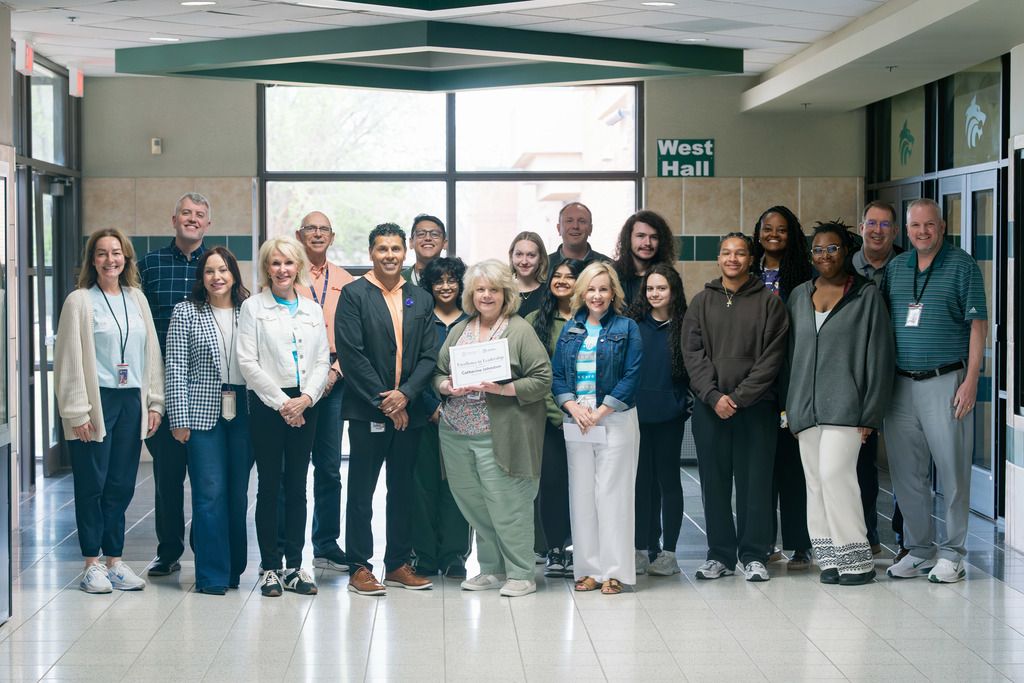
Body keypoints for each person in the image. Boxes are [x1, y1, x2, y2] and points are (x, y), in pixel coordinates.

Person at [433, 260, 552, 597]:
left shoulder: (519, 330)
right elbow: (438, 373)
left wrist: (502, 388)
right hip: (456, 432)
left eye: (494, 290)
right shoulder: (461, 329)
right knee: (476, 506)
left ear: (506, 294)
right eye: (480, 289)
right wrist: (447, 387)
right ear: (471, 294)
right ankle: (492, 569)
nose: (486, 295)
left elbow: (542, 378)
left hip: (499, 433)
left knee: (508, 505)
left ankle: (521, 573)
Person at [884, 198, 988, 584]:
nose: (923, 232)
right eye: (915, 226)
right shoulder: (896, 268)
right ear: (907, 230)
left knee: (953, 470)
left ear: (942, 226)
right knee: (906, 473)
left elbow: (978, 325)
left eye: (930, 224)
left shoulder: (962, 266)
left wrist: (971, 379)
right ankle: (919, 549)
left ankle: (953, 554)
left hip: (946, 381)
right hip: (900, 384)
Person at [54, 228, 164, 594]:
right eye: (101, 253)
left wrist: (154, 401)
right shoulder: (79, 301)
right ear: (92, 260)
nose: (110, 259)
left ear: (126, 258)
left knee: (121, 484)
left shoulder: (137, 298)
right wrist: (76, 412)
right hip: (94, 402)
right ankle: (91, 564)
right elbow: (68, 359)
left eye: (116, 252)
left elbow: (151, 353)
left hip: (131, 399)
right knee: (92, 485)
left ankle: (114, 561)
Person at [785, 223, 894, 586]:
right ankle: (830, 558)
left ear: (846, 251)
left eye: (832, 248)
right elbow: (791, 357)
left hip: (848, 408)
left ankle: (858, 559)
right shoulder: (799, 295)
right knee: (815, 483)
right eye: (818, 250)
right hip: (805, 409)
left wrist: (871, 413)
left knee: (836, 477)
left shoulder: (866, 296)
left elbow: (880, 357)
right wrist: (791, 409)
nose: (825, 256)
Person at [336, 223, 438, 596]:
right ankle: (359, 567)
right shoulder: (354, 294)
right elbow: (351, 354)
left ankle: (396, 564)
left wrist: (406, 395)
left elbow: (429, 355)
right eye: (382, 249)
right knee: (361, 492)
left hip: (409, 412)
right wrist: (386, 401)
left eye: (396, 249)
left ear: (405, 252)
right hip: (368, 412)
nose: (390, 255)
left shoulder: (420, 298)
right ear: (371, 253)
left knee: (402, 490)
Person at [683, 233, 789, 582]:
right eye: (726, 252)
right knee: (713, 484)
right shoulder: (701, 302)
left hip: (756, 408)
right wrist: (713, 396)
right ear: (718, 258)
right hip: (710, 408)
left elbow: (772, 358)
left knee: (755, 484)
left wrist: (740, 397)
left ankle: (755, 556)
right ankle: (720, 556)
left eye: (740, 253)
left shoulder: (770, 303)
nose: (733, 258)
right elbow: (692, 354)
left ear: (750, 259)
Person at [238, 235, 330, 597]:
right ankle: (270, 567)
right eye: (275, 263)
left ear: (299, 267)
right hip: (268, 405)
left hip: (306, 405)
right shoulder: (253, 308)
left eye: (289, 262)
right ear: (266, 267)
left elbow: (322, 361)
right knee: (269, 487)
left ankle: (294, 566)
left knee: (297, 487)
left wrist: (305, 399)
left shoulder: (312, 309)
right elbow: (248, 363)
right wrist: (283, 404)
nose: (282, 269)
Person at [165, 246, 254, 595]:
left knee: (238, 494)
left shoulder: (250, 310)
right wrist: (179, 418)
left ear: (234, 274)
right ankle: (211, 574)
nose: (217, 277)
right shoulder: (186, 312)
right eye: (209, 271)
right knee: (209, 493)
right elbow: (175, 367)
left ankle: (233, 571)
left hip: (245, 410)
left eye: (223, 270)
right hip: (202, 412)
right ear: (201, 278)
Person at [552, 261, 642, 595]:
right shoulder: (570, 329)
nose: (597, 295)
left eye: (603, 288)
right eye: (591, 289)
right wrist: (573, 407)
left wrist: (601, 411)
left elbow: (632, 375)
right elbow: (557, 376)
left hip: (614, 418)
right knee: (582, 496)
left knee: (612, 495)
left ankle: (615, 572)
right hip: (578, 420)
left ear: (613, 292)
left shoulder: (627, 328)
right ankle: (589, 570)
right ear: (581, 293)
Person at [138, 192, 210, 577]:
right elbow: (138, 323)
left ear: (207, 224)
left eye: (199, 215)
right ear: (174, 219)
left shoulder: (216, 265)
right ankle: (168, 552)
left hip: (204, 391)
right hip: (162, 387)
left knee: (205, 476)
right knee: (167, 477)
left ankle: (205, 549)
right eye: (186, 213)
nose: (192, 219)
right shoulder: (149, 265)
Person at [752, 205, 813, 570]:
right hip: (755, 382)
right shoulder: (748, 271)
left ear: (792, 235)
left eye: (782, 229)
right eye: (767, 228)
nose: (774, 234)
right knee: (761, 468)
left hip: (792, 377)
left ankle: (800, 544)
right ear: (758, 232)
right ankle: (763, 542)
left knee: (793, 467)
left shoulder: (804, 275)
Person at [294, 211, 355, 573]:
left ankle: (327, 545)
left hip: (334, 380)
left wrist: (333, 374)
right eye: (310, 229)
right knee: (291, 468)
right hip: (295, 381)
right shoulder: (286, 274)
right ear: (299, 235)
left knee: (329, 467)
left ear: (332, 237)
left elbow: (355, 336)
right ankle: (286, 547)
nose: (317, 234)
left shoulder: (345, 281)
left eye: (323, 230)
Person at [625, 264, 690, 578]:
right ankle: (640, 550)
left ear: (673, 291)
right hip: (636, 415)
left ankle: (669, 554)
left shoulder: (685, 325)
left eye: (661, 288)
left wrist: (681, 404)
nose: (654, 294)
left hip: (669, 417)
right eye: (650, 288)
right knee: (640, 483)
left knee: (669, 483)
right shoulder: (633, 324)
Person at [411, 257, 472, 579]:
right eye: (439, 281)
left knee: (457, 487)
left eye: (452, 280)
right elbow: (411, 368)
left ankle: (454, 555)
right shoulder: (420, 320)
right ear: (429, 285)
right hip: (423, 415)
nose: (446, 286)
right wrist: (431, 406)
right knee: (422, 487)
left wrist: (452, 409)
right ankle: (423, 555)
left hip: (464, 418)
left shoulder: (471, 322)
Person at [526, 258, 587, 578]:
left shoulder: (591, 318)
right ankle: (554, 550)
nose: (562, 280)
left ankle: (580, 548)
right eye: (557, 276)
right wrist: (557, 413)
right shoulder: (535, 320)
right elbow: (535, 372)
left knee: (584, 484)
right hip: (548, 418)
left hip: (588, 417)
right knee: (551, 484)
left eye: (570, 276)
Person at [853, 200, 904, 558]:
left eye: (885, 225)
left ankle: (905, 538)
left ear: (895, 231)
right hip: (858, 381)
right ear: (861, 228)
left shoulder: (909, 266)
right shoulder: (842, 267)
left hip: (901, 376)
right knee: (861, 464)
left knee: (904, 463)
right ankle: (867, 535)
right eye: (872, 223)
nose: (877, 231)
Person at [612, 210, 677, 308]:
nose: (647, 243)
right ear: (628, 239)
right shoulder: (612, 275)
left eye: (654, 237)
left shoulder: (667, 277)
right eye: (640, 236)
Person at [548, 203, 609, 273]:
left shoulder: (608, 266)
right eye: (569, 221)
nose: (575, 226)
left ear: (590, 229)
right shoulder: (543, 266)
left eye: (582, 221)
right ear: (559, 229)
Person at [509, 231, 549, 318]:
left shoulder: (549, 292)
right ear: (511, 256)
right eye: (519, 254)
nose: (524, 262)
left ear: (541, 258)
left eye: (531, 255)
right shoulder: (503, 291)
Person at [402, 214, 447, 286]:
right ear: (411, 242)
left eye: (434, 234)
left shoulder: (456, 280)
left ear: (444, 243)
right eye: (421, 234)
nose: (428, 238)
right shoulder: (399, 280)